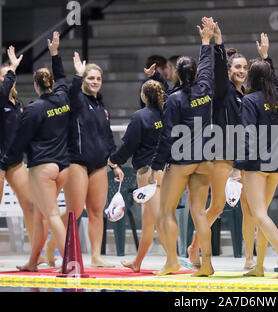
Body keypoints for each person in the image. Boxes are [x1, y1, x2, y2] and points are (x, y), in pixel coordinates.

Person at [186, 18, 257, 271]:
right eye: (237, 66)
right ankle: (195, 248)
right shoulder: (223, 90)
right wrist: (218, 39)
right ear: (228, 70)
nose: (242, 70)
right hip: (222, 155)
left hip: (244, 158)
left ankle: (250, 258)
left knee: (250, 207)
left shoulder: (245, 94)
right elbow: (216, 67)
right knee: (217, 206)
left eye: (245, 67)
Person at [148, 17, 215, 276]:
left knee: (165, 211)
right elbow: (208, 67)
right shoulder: (206, 88)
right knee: (199, 212)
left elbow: (167, 135)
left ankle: (172, 262)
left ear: (176, 74)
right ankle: (206, 264)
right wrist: (206, 42)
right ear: (196, 73)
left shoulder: (174, 100)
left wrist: (156, 165)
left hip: (182, 160)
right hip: (205, 158)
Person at [45, 52, 124, 268]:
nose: (95, 82)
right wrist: (78, 75)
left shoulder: (102, 107)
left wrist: (115, 163)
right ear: (83, 81)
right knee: (75, 212)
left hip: (99, 164)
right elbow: (69, 92)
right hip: (76, 161)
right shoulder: (76, 102)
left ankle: (96, 256)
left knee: (97, 212)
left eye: (98, 78)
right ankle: (51, 243)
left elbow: (108, 137)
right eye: (91, 78)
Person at [1, 32, 72, 271]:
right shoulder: (61, 98)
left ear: (35, 84)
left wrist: (8, 160)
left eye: (8, 78)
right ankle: (39, 260)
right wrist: (54, 55)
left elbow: (20, 140)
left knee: (42, 212)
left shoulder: (28, 108)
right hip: (56, 165)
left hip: (29, 163)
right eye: (3, 79)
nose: (7, 82)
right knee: (45, 214)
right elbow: (62, 78)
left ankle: (56, 261)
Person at [233, 33, 278, 279]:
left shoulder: (249, 100)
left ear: (252, 78)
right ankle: (259, 267)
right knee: (263, 215)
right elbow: (275, 81)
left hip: (256, 163)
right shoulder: (277, 97)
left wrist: (238, 167)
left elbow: (247, 136)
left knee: (258, 213)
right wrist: (266, 56)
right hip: (277, 160)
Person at [108, 70, 166, 272]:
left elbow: (129, 146)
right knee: (149, 220)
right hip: (164, 170)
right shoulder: (166, 114)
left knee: (158, 219)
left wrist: (114, 160)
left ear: (143, 95)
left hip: (148, 172)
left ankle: (174, 259)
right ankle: (138, 262)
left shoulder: (140, 116)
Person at [0, 46, 38, 257]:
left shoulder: (17, 103)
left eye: (11, 75)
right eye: (5, 75)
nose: (10, 78)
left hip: (14, 161)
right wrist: (13, 67)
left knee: (30, 205)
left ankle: (35, 251)